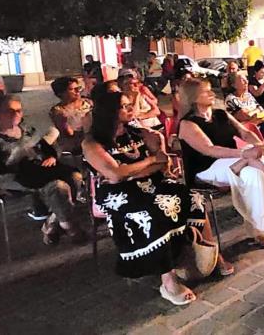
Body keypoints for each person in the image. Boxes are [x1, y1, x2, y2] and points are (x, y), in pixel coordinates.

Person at [82, 92, 232, 305]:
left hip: (152, 182)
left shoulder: (139, 133)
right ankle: (168, 280)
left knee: (192, 197)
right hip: (118, 194)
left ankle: (211, 254)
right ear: (110, 113)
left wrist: (134, 169)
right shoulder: (92, 144)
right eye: (124, 106)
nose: (130, 108)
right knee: (152, 211)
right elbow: (115, 174)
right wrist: (149, 160)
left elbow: (162, 163)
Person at [176, 78, 264, 248]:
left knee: (253, 173)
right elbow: (209, 149)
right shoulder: (187, 124)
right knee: (251, 162)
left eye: (211, 90)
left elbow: (245, 133)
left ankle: (259, 230)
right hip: (206, 168)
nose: (212, 94)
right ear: (194, 98)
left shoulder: (221, 114)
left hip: (235, 162)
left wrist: (258, 144)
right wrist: (244, 153)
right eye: (206, 91)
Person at [0, 94, 86, 245]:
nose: (17, 114)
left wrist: (51, 157)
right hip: (12, 176)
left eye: (19, 110)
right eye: (10, 111)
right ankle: (71, 227)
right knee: (58, 187)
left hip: (40, 170)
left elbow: (45, 147)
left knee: (75, 177)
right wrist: (16, 157)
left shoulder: (25, 129)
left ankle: (51, 222)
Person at [225, 72, 264, 137]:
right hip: (245, 130)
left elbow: (261, 109)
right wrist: (256, 113)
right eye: (242, 80)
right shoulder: (231, 99)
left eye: (246, 79)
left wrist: (253, 113)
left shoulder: (248, 95)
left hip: (259, 124)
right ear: (234, 85)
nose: (246, 81)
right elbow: (244, 116)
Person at [49, 76, 94, 155]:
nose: (77, 91)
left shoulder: (89, 103)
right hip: (75, 149)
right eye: (71, 89)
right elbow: (69, 133)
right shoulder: (59, 111)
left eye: (78, 88)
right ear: (61, 93)